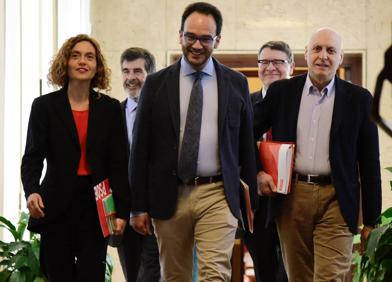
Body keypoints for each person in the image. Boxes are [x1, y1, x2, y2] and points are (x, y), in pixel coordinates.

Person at [129, 2, 257, 281]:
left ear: (218, 40)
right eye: (191, 37)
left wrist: (251, 204)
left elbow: (246, 147)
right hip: (169, 194)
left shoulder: (236, 83)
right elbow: (140, 150)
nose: (197, 45)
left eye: (205, 38)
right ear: (180, 35)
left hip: (218, 193)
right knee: (175, 276)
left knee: (215, 274)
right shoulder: (156, 84)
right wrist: (137, 206)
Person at [253, 27, 382, 282]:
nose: (323, 56)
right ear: (306, 54)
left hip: (337, 198)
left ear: (340, 57)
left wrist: (371, 220)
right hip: (292, 197)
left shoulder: (359, 99)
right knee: (299, 277)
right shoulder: (282, 92)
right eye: (317, 49)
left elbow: (369, 163)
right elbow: (244, 132)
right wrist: (257, 171)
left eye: (331, 50)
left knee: (330, 277)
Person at [21, 34, 131, 282]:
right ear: (65, 63)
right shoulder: (44, 107)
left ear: (97, 66)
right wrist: (32, 191)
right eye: (75, 55)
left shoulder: (110, 108)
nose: (83, 61)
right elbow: (32, 157)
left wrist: (122, 212)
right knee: (57, 273)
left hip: (97, 203)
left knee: (92, 274)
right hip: (56, 201)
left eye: (89, 57)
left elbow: (118, 163)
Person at [244, 41, 293, 282]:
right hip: (257, 203)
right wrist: (256, 174)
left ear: (291, 67)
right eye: (264, 62)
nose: (270, 67)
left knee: (292, 270)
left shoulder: (298, 105)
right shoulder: (244, 103)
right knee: (265, 270)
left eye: (278, 62)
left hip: (293, 201)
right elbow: (235, 147)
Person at [114, 47, 160, 282]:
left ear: (150, 75)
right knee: (132, 276)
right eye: (125, 71)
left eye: (137, 71)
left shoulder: (164, 112)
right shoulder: (114, 113)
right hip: (124, 214)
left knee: (151, 277)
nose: (131, 77)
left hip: (158, 214)